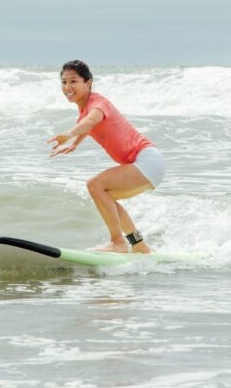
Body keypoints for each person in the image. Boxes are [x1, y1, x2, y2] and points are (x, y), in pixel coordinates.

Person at [47, 59, 165, 254]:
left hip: (147, 160)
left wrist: (69, 134)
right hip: (148, 165)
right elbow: (87, 125)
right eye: (64, 82)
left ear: (88, 82)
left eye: (73, 81)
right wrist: (75, 144)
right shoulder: (84, 108)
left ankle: (118, 243)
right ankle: (139, 244)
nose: (67, 87)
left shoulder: (98, 103)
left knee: (95, 185)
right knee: (105, 197)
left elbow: (92, 120)